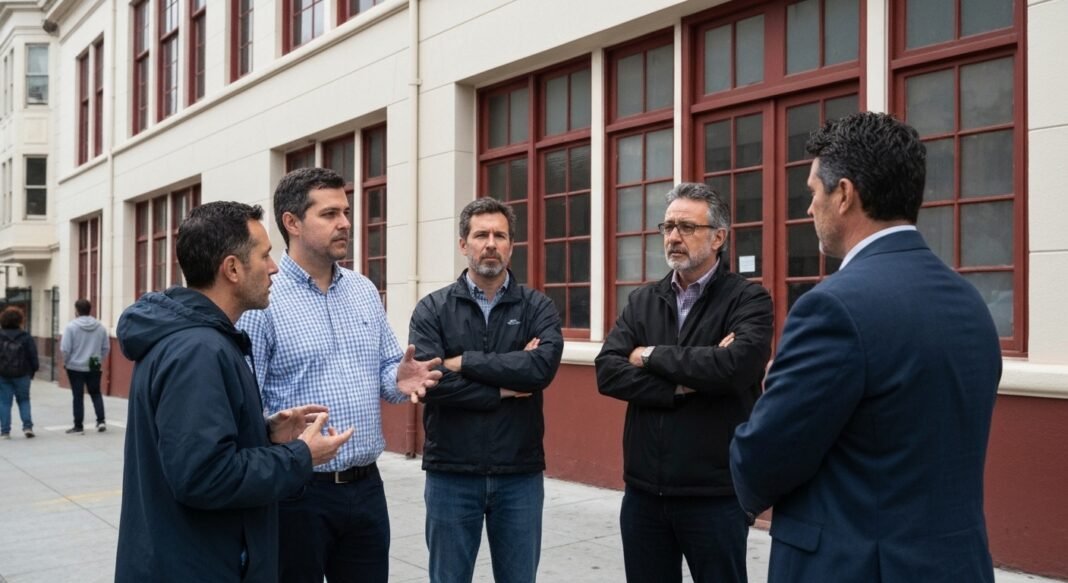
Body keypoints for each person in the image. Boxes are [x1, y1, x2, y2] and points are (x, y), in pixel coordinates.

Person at [730, 112, 1002, 583]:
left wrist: (774, 390)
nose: (808, 209)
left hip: (855, 566)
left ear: (844, 194)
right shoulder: (970, 302)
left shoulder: (832, 307)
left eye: (813, 192)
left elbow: (763, 460)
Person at [114, 201, 354, 582]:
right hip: (200, 566)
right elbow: (204, 476)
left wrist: (264, 433)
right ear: (232, 269)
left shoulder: (201, 340)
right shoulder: (198, 351)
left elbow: (196, 448)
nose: (274, 267)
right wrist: (300, 456)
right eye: (264, 255)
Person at [237, 167, 443, 583]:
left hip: (366, 489)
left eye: (346, 212)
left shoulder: (363, 290)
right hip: (296, 492)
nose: (345, 223)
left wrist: (399, 378)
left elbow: (386, 370)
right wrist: (274, 434)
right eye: (329, 214)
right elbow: (245, 401)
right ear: (292, 222)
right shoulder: (264, 299)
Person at [595, 182, 774, 583]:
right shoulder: (643, 300)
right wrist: (680, 385)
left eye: (687, 227)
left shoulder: (749, 300)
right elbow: (607, 371)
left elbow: (735, 368)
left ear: (718, 237)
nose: (673, 237)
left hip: (715, 495)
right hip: (644, 494)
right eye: (668, 226)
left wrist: (648, 355)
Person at [408, 198, 564, 583]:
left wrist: (463, 362)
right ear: (463, 244)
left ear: (512, 245)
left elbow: (539, 370)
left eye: (500, 235)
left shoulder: (537, 307)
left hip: (519, 474)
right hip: (451, 474)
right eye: (481, 235)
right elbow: (431, 383)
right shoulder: (432, 309)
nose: (490, 244)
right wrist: (504, 390)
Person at [61, 299, 110, 433]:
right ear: (90, 310)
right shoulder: (100, 327)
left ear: (77, 311)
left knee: (78, 396)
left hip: (75, 366)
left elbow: (65, 349)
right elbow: (106, 347)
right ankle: (101, 421)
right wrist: (98, 359)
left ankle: (78, 426)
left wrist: (66, 362)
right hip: (94, 365)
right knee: (96, 393)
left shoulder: (71, 327)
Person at [0, 306, 38, 439]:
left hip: (3, 374)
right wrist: (33, 370)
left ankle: (5, 431)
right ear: (20, 320)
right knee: (24, 400)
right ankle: (27, 427)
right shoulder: (26, 337)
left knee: (4, 402)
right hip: (23, 373)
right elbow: (33, 356)